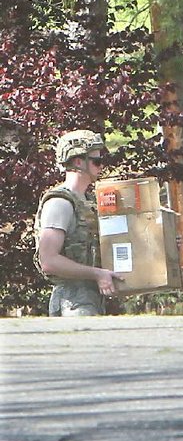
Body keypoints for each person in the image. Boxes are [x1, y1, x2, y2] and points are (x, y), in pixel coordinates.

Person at [34, 129, 124, 316]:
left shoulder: (88, 202)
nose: (101, 167)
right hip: (72, 302)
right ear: (78, 162)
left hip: (91, 298)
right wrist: (96, 274)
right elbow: (48, 260)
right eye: (96, 161)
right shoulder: (60, 203)